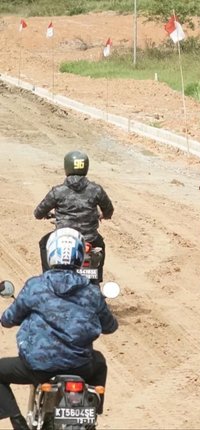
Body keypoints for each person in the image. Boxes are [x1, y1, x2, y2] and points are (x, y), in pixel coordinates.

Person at [0, 227, 118, 430]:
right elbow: (110, 326)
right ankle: (90, 414)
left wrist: (10, 318)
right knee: (99, 361)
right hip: (80, 367)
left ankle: (18, 423)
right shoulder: (91, 292)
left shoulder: (35, 286)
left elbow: (8, 319)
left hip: (38, 367)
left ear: (51, 253)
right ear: (80, 255)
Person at [34, 150, 114, 283]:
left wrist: (47, 215)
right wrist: (103, 215)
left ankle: (48, 278)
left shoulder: (57, 191)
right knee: (101, 245)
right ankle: (97, 277)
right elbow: (109, 210)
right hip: (90, 239)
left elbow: (38, 213)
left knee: (44, 243)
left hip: (63, 239)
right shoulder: (96, 190)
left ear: (67, 167)